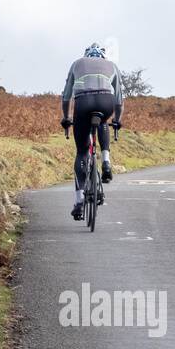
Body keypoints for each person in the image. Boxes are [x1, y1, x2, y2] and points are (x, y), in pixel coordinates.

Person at [61, 43, 123, 221]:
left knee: (81, 151)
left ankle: (79, 200)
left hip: (83, 102)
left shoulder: (76, 63)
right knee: (103, 120)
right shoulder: (112, 65)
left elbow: (66, 96)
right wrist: (117, 120)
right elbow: (119, 100)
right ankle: (105, 160)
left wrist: (66, 117)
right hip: (106, 101)